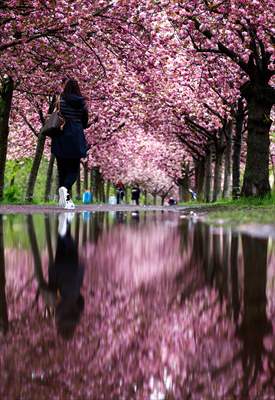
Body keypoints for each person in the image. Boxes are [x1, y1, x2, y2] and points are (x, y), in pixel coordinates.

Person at [51, 79, 89, 209]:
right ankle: (65, 190)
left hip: (61, 135)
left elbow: (55, 116)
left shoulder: (60, 101)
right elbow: (85, 122)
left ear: (66, 88)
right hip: (76, 136)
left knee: (62, 169)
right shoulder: (82, 103)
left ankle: (64, 198)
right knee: (73, 169)